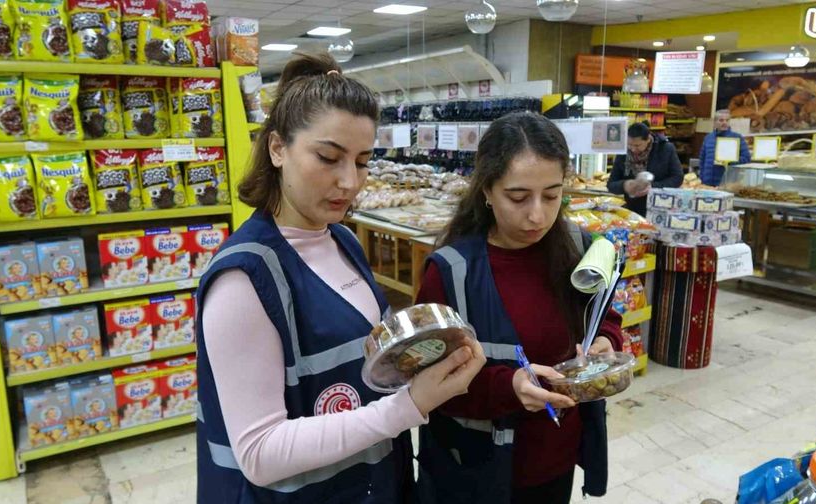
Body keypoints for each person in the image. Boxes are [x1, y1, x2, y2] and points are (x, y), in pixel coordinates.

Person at [194, 53, 486, 504]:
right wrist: (407, 407)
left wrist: (429, 353)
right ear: (277, 149)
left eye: (363, 161)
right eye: (328, 157)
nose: (349, 182)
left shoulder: (342, 241)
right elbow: (259, 451)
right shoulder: (244, 279)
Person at [415, 112, 624, 504]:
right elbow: (426, 384)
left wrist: (605, 343)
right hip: (474, 471)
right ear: (487, 191)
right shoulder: (451, 272)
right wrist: (509, 387)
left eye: (551, 194)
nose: (537, 215)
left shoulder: (580, 250)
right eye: (517, 196)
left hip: (556, 457)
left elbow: (605, 317)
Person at [607, 122, 683, 217]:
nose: (633, 149)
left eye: (637, 145)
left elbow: (677, 177)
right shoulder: (624, 153)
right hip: (632, 210)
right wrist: (625, 185)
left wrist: (653, 187)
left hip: (660, 207)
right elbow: (611, 184)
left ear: (648, 139)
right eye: (630, 145)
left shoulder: (665, 149)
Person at [698, 109, 751, 187]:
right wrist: (702, 177)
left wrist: (730, 161)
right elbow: (702, 159)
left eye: (727, 120)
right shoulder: (708, 138)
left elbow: (746, 158)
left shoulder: (737, 138)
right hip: (707, 183)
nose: (724, 123)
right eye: (721, 120)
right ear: (715, 122)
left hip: (728, 182)